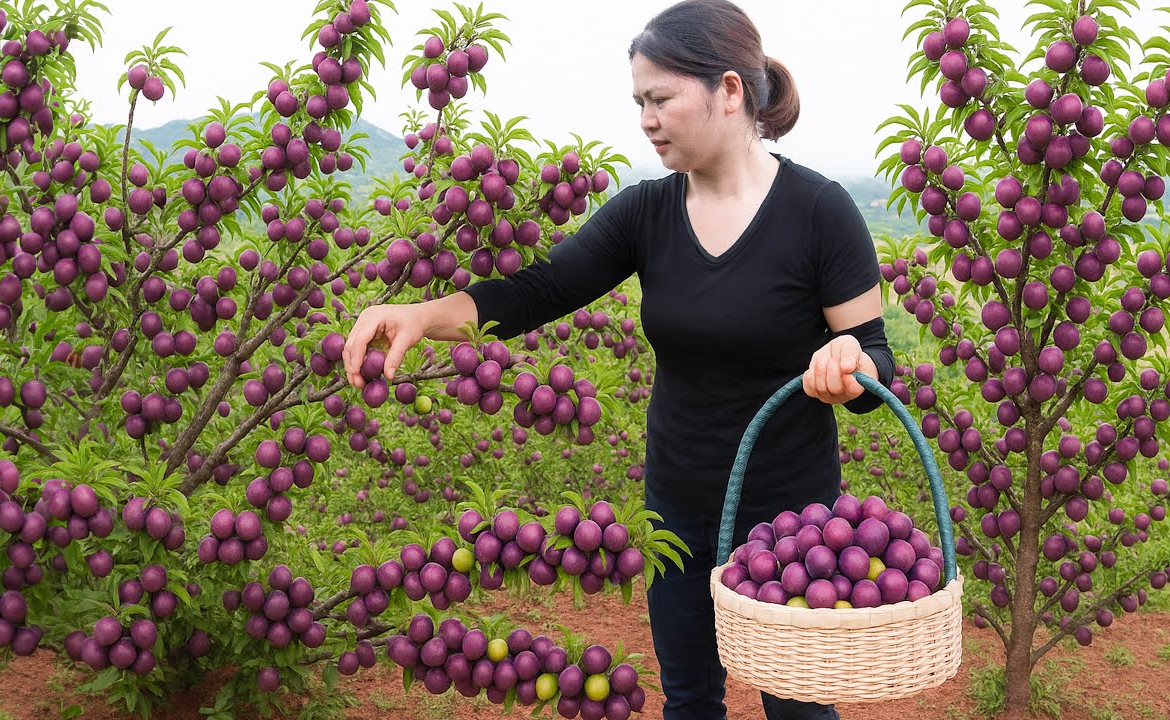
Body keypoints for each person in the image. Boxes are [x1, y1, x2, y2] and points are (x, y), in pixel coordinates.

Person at [343, 1, 895, 717]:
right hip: (677, 508)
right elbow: (535, 291)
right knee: (690, 696)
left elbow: (875, 364)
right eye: (639, 101)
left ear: (729, 91)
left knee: (798, 704)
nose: (646, 118)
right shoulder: (645, 213)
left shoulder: (820, 212)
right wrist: (419, 314)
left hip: (794, 522)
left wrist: (851, 360)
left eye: (661, 98)